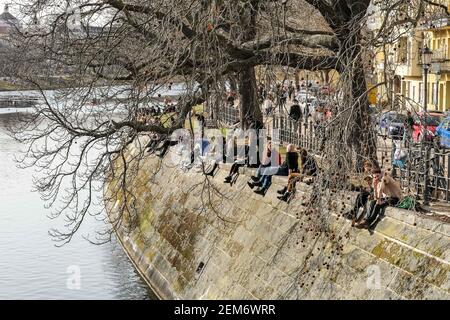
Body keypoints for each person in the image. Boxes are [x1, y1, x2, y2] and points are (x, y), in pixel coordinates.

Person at [344, 160, 374, 226]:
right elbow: (362, 184)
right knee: (359, 200)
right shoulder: (364, 174)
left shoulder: (371, 174)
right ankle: (354, 216)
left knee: (361, 199)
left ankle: (354, 216)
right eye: (366, 166)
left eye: (368, 166)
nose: (367, 168)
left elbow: (371, 186)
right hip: (364, 192)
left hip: (369, 193)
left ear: (371, 167)